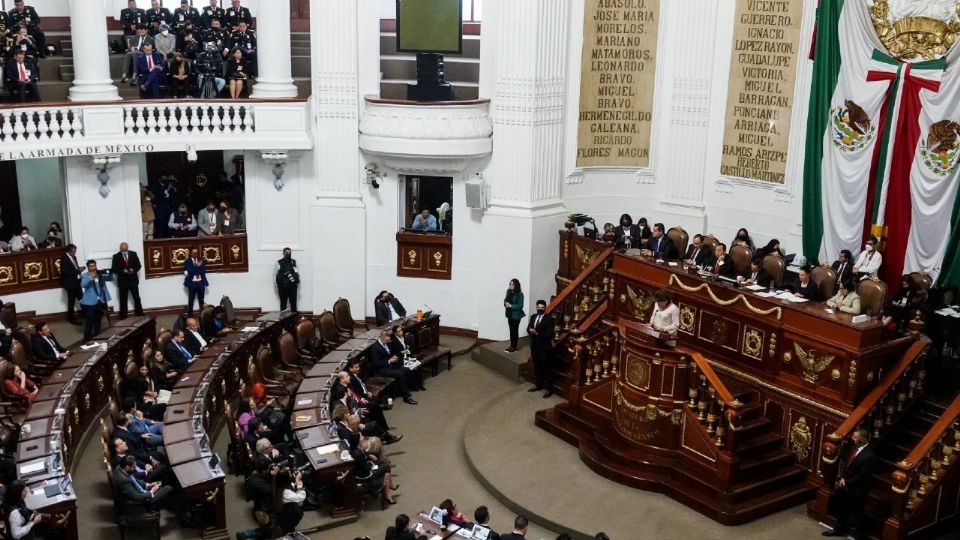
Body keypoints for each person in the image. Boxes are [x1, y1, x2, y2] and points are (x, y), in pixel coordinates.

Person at [822, 428, 876, 539]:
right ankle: (839, 529)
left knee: (858, 513)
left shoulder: (869, 455)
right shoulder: (852, 448)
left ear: (862, 439)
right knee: (842, 509)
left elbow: (863, 475)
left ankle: (859, 536)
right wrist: (841, 478)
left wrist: (846, 482)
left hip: (858, 489)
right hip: (845, 485)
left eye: (855, 437)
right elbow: (845, 463)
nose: (852, 439)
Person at [371, 330, 417, 404]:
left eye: (389, 340)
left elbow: (390, 353)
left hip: (392, 364)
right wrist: (389, 361)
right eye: (387, 340)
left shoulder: (387, 343)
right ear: (382, 338)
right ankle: (406, 397)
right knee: (401, 374)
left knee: (408, 369)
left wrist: (394, 357)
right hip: (382, 369)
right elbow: (376, 363)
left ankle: (402, 389)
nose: (388, 342)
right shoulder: (375, 348)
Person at [527, 300, 556, 398]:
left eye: (542, 307)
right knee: (537, 366)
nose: (540, 309)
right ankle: (538, 385)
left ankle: (548, 389)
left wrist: (537, 333)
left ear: (545, 308)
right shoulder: (534, 316)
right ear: (536, 307)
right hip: (534, 346)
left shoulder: (549, 319)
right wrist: (530, 330)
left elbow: (549, 335)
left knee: (546, 368)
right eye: (538, 307)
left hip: (544, 347)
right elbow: (529, 328)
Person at [80, 259, 111, 341]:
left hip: (100, 301)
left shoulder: (99, 274)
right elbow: (83, 284)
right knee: (90, 322)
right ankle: (86, 340)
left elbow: (103, 287)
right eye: (91, 266)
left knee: (98, 320)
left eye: (94, 265)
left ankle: (97, 337)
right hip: (90, 302)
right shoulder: (85, 275)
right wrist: (91, 277)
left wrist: (106, 299)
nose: (93, 267)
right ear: (88, 267)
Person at [111, 242, 144, 319]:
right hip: (123, 282)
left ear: (128, 248)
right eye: (123, 250)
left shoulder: (133, 254)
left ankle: (140, 314)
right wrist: (122, 271)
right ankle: (123, 317)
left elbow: (138, 265)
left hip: (133, 281)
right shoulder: (116, 256)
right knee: (123, 300)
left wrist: (134, 270)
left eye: (126, 250)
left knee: (137, 298)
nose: (125, 251)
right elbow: (114, 269)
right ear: (120, 249)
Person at [389, 326, 425, 391]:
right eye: (399, 331)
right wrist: (401, 352)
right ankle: (415, 386)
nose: (401, 332)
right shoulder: (394, 342)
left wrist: (407, 350)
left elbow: (408, 348)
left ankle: (420, 384)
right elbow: (394, 354)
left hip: (407, 357)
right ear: (395, 333)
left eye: (401, 330)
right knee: (413, 368)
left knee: (419, 366)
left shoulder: (403, 338)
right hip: (400, 361)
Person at [59, 244, 83, 324]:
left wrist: (79, 269)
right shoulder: (64, 259)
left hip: (76, 282)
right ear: (69, 251)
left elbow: (75, 267)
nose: (75, 253)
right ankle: (71, 318)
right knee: (71, 302)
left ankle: (85, 314)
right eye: (74, 251)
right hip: (70, 284)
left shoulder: (74, 257)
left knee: (82, 298)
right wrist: (78, 271)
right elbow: (65, 272)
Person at [184, 247, 208, 315]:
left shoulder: (201, 260)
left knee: (201, 299)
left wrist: (195, 269)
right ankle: (190, 314)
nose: (195, 254)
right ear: (190, 253)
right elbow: (190, 271)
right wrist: (197, 266)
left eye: (197, 253)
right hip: (192, 283)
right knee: (191, 299)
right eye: (194, 253)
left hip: (200, 282)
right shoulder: (187, 261)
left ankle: (202, 314)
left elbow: (202, 271)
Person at [503, 278, 525, 353]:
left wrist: (511, 306)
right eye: (510, 284)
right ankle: (511, 345)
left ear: (516, 286)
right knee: (511, 330)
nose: (510, 286)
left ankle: (514, 347)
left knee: (514, 330)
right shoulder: (508, 291)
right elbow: (505, 299)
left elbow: (520, 305)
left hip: (516, 315)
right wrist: (505, 303)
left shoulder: (520, 294)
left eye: (512, 284)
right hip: (509, 314)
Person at [276, 247, 300, 312]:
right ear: (283, 253)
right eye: (286, 252)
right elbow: (275, 275)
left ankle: (294, 320)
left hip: (293, 286)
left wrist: (297, 281)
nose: (288, 253)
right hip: (283, 287)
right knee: (283, 304)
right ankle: (283, 320)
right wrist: (278, 284)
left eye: (289, 252)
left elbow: (296, 272)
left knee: (293, 304)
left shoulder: (293, 261)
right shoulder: (279, 262)